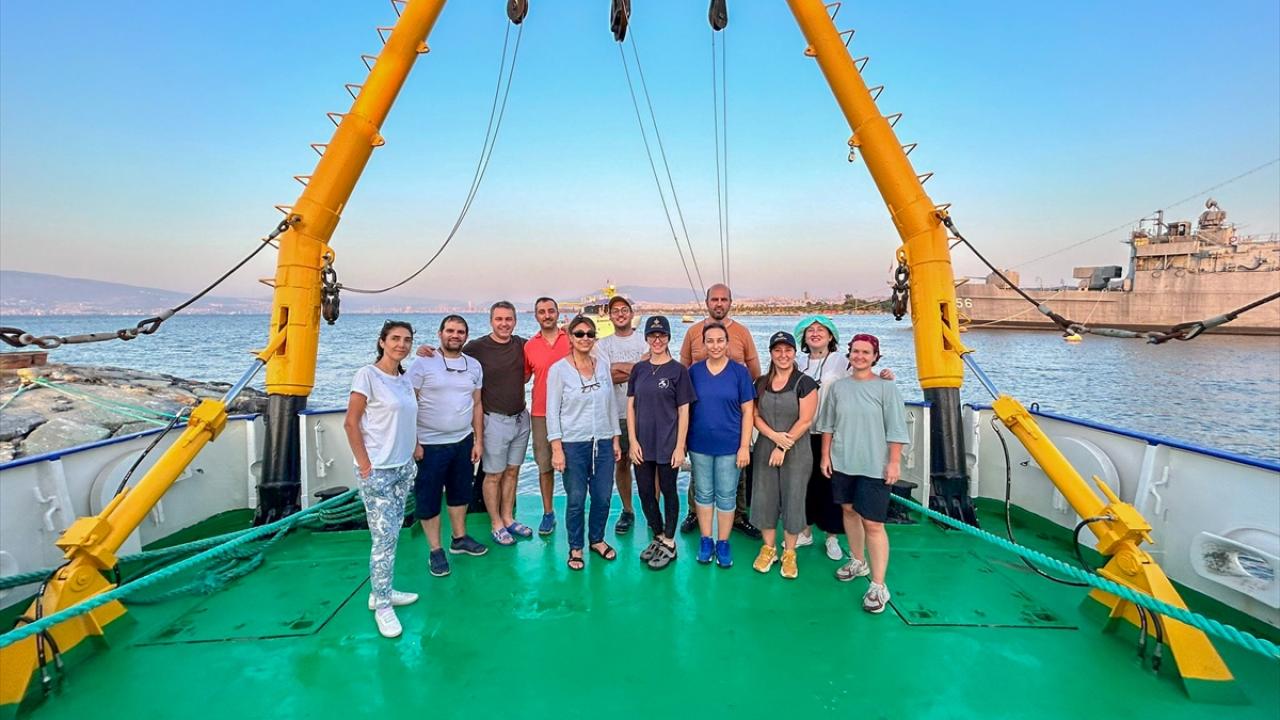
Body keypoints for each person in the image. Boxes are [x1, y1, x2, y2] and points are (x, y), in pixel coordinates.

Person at [818, 333, 910, 614]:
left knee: (873, 523)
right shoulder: (839, 388)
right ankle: (858, 560)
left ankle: (879, 585)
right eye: (855, 351)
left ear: (875, 357)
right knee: (849, 511)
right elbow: (828, 425)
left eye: (865, 352)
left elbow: (896, 428)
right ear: (849, 354)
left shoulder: (886, 388)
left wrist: (894, 462)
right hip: (843, 461)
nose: (859, 356)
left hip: (874, 465)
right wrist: (825, 455)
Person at [793, 316, 895, 561]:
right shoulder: (797, 362)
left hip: (832, 434)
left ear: (831, 336)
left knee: (831, 489)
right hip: (801, 434)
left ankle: (832, 536)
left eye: (821, 329)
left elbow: (862, 378)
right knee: (803, 484)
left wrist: (884, 376)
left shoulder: (842, 361)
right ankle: (805, 530)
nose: (815, 333)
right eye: (810, 330)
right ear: (803, 337)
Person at [342, 320, 420, 638]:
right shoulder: (368, 375)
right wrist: (365, 465)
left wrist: (414, 447)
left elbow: (408, 417)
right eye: (395, 338)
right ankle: (383, 606)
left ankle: (381, 591)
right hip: (378, 470)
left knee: (392, 534)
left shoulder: (404, 378)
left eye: (407, 340)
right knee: (383, 539)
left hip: (403, 467)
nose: (401, 344)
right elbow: (351, 422)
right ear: (382, 342)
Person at [407, 315, 488, 579]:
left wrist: (478, 440)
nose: (455, 335)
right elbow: (409, 403)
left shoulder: (474, 366)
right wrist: (414, 442)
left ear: (466, 336)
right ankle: (435, 549)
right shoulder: (422, 363)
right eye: (450, 330)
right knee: (429, 498)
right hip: (430, 444)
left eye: (460, 331)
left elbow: (477, 404)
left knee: (460, 493)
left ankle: (459, 538)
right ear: (440, 333)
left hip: (462, 440)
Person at [678, 283, 762, 539]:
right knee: (699, 476)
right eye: (714, 299)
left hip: (731, 417)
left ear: (730, 302)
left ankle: (738, 516)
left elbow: (754, 371)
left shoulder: (742, 333)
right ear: (707, 302)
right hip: (701, 420)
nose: (718, 303)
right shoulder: (693, 332)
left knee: (737, 474)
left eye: (723, 299)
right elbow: (682, 370)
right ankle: (694, 513)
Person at [547, 316, 622, 570]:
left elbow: (610, 404)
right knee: (576, 499)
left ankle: (597, 539)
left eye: (590, 334)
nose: (585, 338)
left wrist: (615, 438)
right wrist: (556, 448)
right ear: (570, 337)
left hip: (603, 441)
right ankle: (576, 546)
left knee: (603, 497)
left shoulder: (602, 366)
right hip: (573, 444)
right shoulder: (558, 370)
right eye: (579, 334)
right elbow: (552, 412)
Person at [463, 301, 534, 546]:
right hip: (494, 420)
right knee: (493, 474)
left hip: (521, 418)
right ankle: (496, 523)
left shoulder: (523, 345)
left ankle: (508, 518)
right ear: (491, 321)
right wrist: (426, 352)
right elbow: (450, 354)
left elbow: (546, 352)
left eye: (508, 319)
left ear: (515, 321)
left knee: (513, 471)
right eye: (499, 319)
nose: (504, 324)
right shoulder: (477, 347)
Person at [628, 315, 695, 570]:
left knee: (668, 490)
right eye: (653, 335)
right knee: (646, 492)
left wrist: (680, 446)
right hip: (642, 443)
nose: (657, 340)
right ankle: (657, 535)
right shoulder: (639, 369)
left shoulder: (678, 371)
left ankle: (669, 541)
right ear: (646, 338)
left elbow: (684, 410)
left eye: (662, 335)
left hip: (668, 443)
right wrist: (632, 441)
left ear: (668, 338)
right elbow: (631, 406)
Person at [750, 331, 819, 579]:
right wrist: (773, 437)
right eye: (777, 350)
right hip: (766, 447)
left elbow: (806, 420)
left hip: (796, 449)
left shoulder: (805, 383)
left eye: (788, 350)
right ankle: (768, 548)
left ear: (794, 352)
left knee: (793, 498)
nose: (783, 355)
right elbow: (755, 416)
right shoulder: (760, 383)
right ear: (771, 353)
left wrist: (783, 446)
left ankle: (790, 552)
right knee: (764, 497)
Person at [686, 322, 754, 568]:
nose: (715, 345)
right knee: (703, 493)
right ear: (704, 344)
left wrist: (744, 446)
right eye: (710, 341)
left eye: (720, 340)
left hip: (730, 446)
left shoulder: (739, 373)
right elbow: (685, 410)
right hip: (699, 444)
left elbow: (748, 411)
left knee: (726, 495)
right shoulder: (694, 372)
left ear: (727, 343)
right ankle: (706, 540)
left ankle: (723, 542)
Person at [594, 295, 647, 534]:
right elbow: (606, 377)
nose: (620, 314)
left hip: (645, 413)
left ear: (631, 313)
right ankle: (627, 510)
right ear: (609, 315)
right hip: (616, 414)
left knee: (648, 464)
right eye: (615, 310)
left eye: (624, 309)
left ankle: (651, 508)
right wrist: (637, 369)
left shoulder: (644, 341)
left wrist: (618, 368)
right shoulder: (602, 345)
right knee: (622, 462)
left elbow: (649, 373)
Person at [525, 297, 571, 535]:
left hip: (572, 412)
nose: (547, 315)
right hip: (541, 414)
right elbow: (522, 377)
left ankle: (575, 511)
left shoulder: (571, 338)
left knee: (575, 466)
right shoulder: (529, 346)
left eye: (551, 311)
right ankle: (548, 513)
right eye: (542, 312)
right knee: (545, 465)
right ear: (536, 316)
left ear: (557, 313)